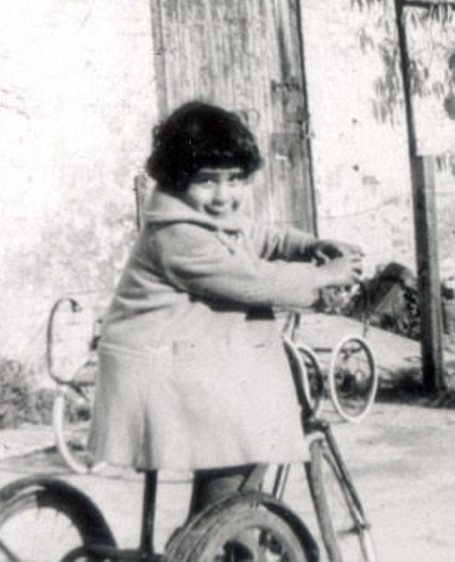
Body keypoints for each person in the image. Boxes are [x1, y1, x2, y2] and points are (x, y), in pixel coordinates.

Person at [89, 101, 363, 521]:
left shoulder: (199, 215)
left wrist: (306, 246)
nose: (224, 196)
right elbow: (253, 279)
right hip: (155, 373)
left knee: (239, 438)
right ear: (179, 180)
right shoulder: (177, 234)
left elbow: (255, 235)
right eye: (207, 181)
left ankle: (216, 534)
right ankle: (220, 536)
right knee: (247, 439)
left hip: (177, 362)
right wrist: (324, 277)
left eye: (236, 180)